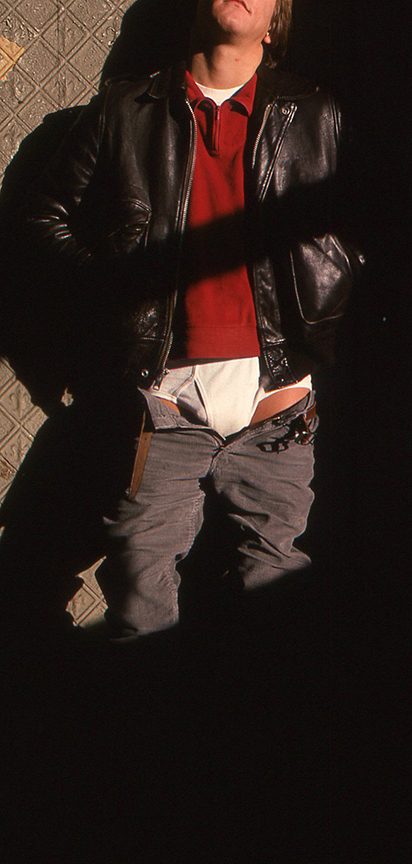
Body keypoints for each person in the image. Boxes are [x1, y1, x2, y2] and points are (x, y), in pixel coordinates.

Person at [1, 0, 364, 650]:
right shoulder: (124, 107)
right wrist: (116, 284)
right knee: (141, 595)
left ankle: (264, 742)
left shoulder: (312, 110)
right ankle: (151, 739)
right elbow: (39, 215)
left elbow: (359, 220)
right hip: (166, 400)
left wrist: (328, 291)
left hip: (277, 403)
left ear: (279, 16)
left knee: (275, 590)